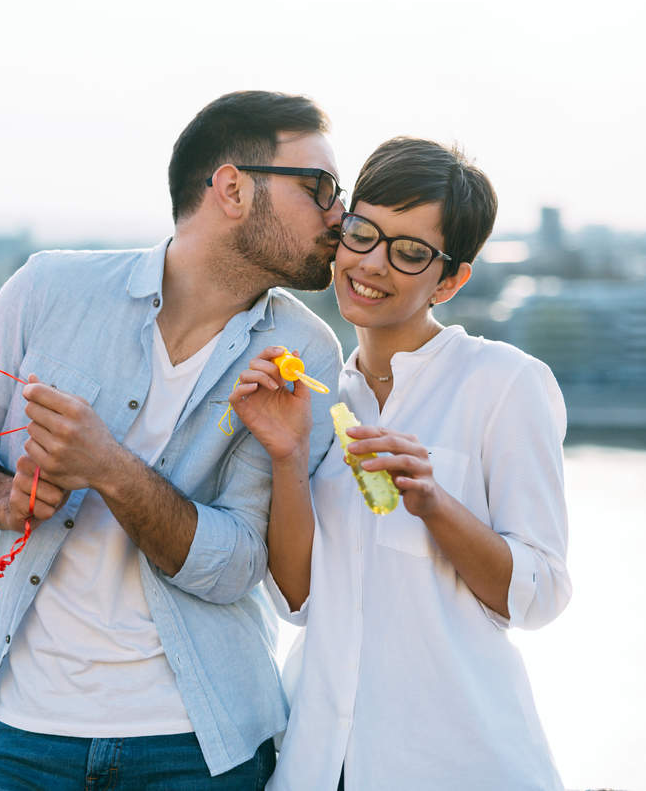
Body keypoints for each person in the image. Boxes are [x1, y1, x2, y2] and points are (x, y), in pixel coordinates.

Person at [0, 90, 346, 789]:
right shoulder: (49, 288)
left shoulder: (305, 352)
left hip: (199, 751)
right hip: (27, 735)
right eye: (321, 187)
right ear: (233, 188)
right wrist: (5, 497)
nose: (340, 214)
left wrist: (108, 466)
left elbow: (239, 562)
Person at [232, 137, 571, 790]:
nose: (372, 264)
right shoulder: (317, 389)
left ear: (450, 278)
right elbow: (298, 599)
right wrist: (286, 454)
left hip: (460, 761)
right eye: (364, 233)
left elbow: (540, 592)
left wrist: (434, 502)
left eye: (410, 251)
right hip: (315, 762)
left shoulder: (503, 383)